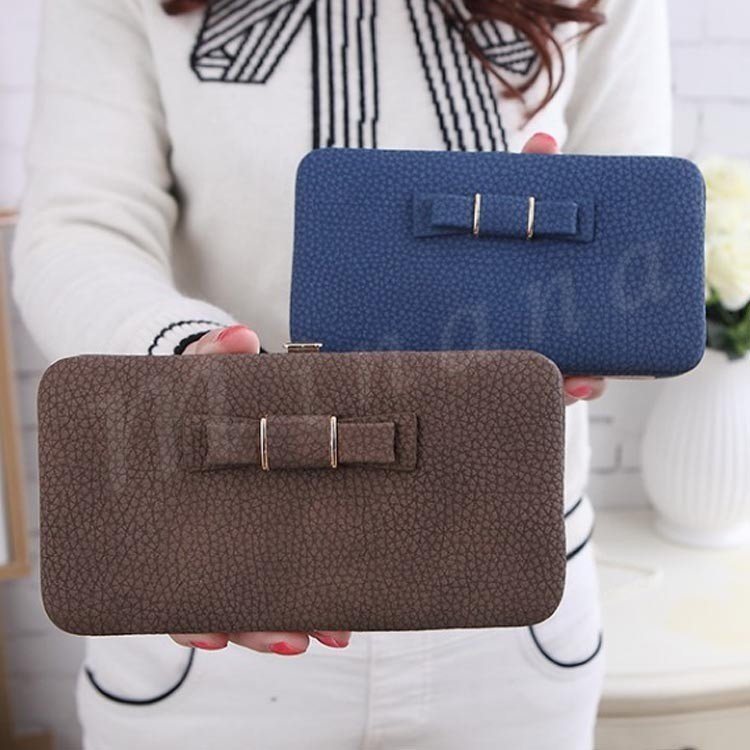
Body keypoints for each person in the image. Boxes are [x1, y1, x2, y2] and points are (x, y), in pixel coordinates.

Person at [12, 0, 671, 747]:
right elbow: (81, 225)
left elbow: (642, 227)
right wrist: (188, 356)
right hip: (221, 554)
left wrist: (580, 299)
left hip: (508, 574)